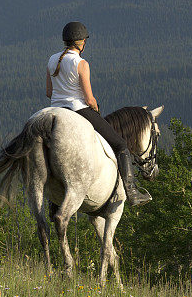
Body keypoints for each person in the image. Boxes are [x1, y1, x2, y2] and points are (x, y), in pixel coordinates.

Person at [46, 21, 152, 206]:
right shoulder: (81, 63)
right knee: (120, 145)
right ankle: (132, 192)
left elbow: (49, 92)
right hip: (78, 109)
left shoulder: (52, 59)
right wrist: (95, 107)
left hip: (55, 109)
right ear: (81, 42)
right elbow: (89, 99)